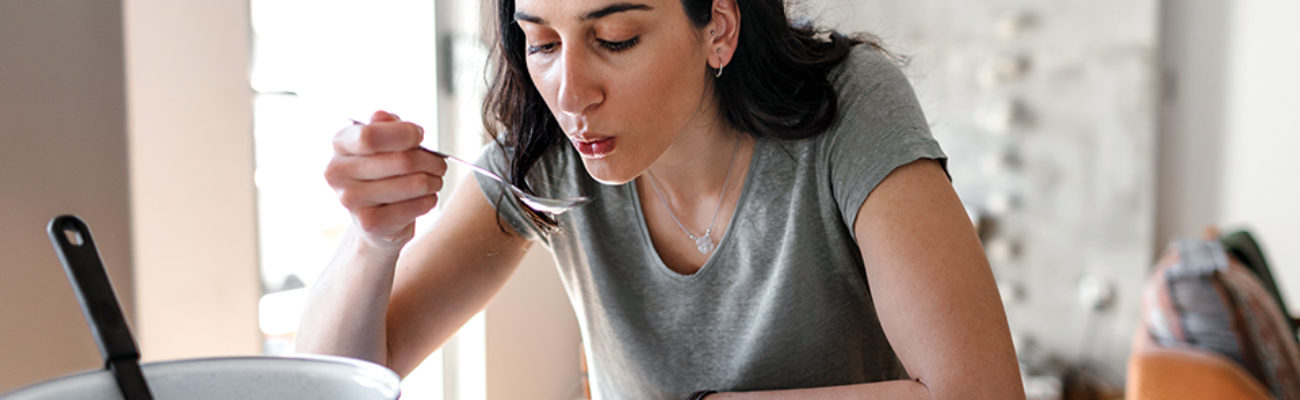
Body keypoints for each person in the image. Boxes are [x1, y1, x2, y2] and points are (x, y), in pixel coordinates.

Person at [297, 0, 1025, 398]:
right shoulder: (547, 158)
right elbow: (337, 383)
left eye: (614, 38)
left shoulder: (848, 107)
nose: (572, 95)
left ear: (719, 28)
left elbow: (983, 395)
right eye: (542, 43)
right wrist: (372, 242)